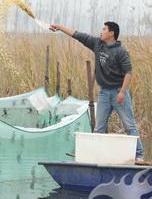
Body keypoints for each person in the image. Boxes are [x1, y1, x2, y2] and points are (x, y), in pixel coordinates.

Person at [49, 21, 144, 160]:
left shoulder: (121, 51)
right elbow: (77, 35)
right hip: (104, 93)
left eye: (104, 29)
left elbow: (128, 73)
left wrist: (123, 92)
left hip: (118, 92)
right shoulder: (97, 44)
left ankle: (139, 156)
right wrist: (60, 27)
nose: (101, 31)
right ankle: (94, 157)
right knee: (98, 128)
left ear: (111, 33)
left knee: (129, 126)